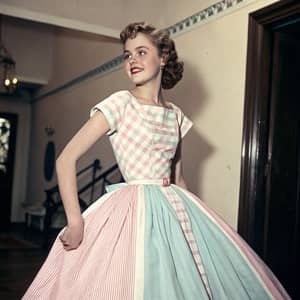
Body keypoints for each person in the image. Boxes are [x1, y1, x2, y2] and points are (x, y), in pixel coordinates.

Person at [23, 22, 290, 300]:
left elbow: (178, 177)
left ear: (162, 58)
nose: (132, 61)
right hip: (131, 210)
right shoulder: (120, 103)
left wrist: (196, 226)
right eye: (127, 55)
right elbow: (66, 159)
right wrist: (75, 221)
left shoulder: (175, 115)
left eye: (141, 52)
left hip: (174, 207)